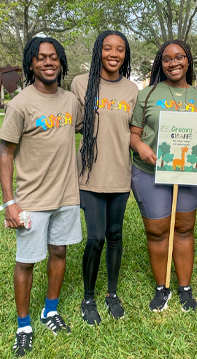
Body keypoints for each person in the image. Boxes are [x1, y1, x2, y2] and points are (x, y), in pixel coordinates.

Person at [0, 37, 82, 357]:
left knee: (59, 251)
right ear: (31, 63)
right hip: (32, 199)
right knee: (27, 261)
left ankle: (50, 310)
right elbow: (6, 153)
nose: (48, 63)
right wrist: (10, 203)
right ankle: (24, 325)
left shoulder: (71, 101)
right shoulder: (21, 103)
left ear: (61, 62)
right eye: (41, 58)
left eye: (54, 58)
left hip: (67, 196)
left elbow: (83, 131)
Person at [130, 40, 197, 312]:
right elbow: (134, 134)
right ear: (161, 63)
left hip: (187, 171)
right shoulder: (149, 94)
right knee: (157, 230)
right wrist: (141, 146)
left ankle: (185, 288)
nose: (173, 62)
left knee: (184, 227)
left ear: (188, 61)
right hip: (150, 172)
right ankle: (161, 286)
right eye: (167, 58)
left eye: (179, 57)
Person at [71, 30, 138, 325]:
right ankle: (89, 297)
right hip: (89, 174)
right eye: (108, 48)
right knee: (96, 238)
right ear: (98, 50)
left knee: (115, 236)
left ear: (125, 54)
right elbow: (66, 119)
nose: (114, 54)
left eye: (120, 49)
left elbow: (139, 130)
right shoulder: (81, 83)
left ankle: (111, 294)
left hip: (120, 173)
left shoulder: (131, 90)